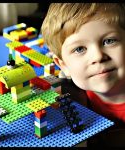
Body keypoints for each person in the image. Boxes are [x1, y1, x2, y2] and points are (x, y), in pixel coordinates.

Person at [41, 3, 125, 147]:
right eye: (79, 49)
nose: (98, 56)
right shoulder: (71, 95)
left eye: (109, 41)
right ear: (63, 65)